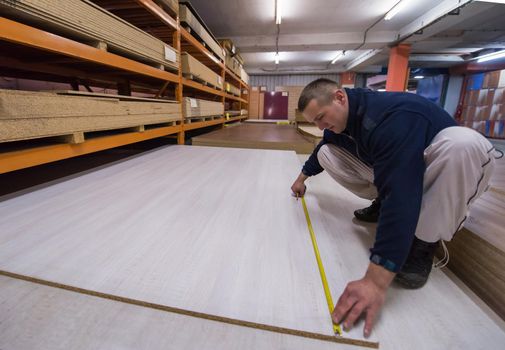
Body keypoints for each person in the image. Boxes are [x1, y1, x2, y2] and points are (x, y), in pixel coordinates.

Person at [291, 78, 496, 338]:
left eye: (321, 117)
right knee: (326, 152)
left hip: (453, 170)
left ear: (340, 98)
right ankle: (379, 202)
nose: (319, 126)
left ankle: (423, 244)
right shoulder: (346, 119)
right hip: (405, 168)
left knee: (461, 143)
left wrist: (376, 279)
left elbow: (401, 189)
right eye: (314, 122)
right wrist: (302, 178)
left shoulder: (388, 118)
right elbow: (324, 146)